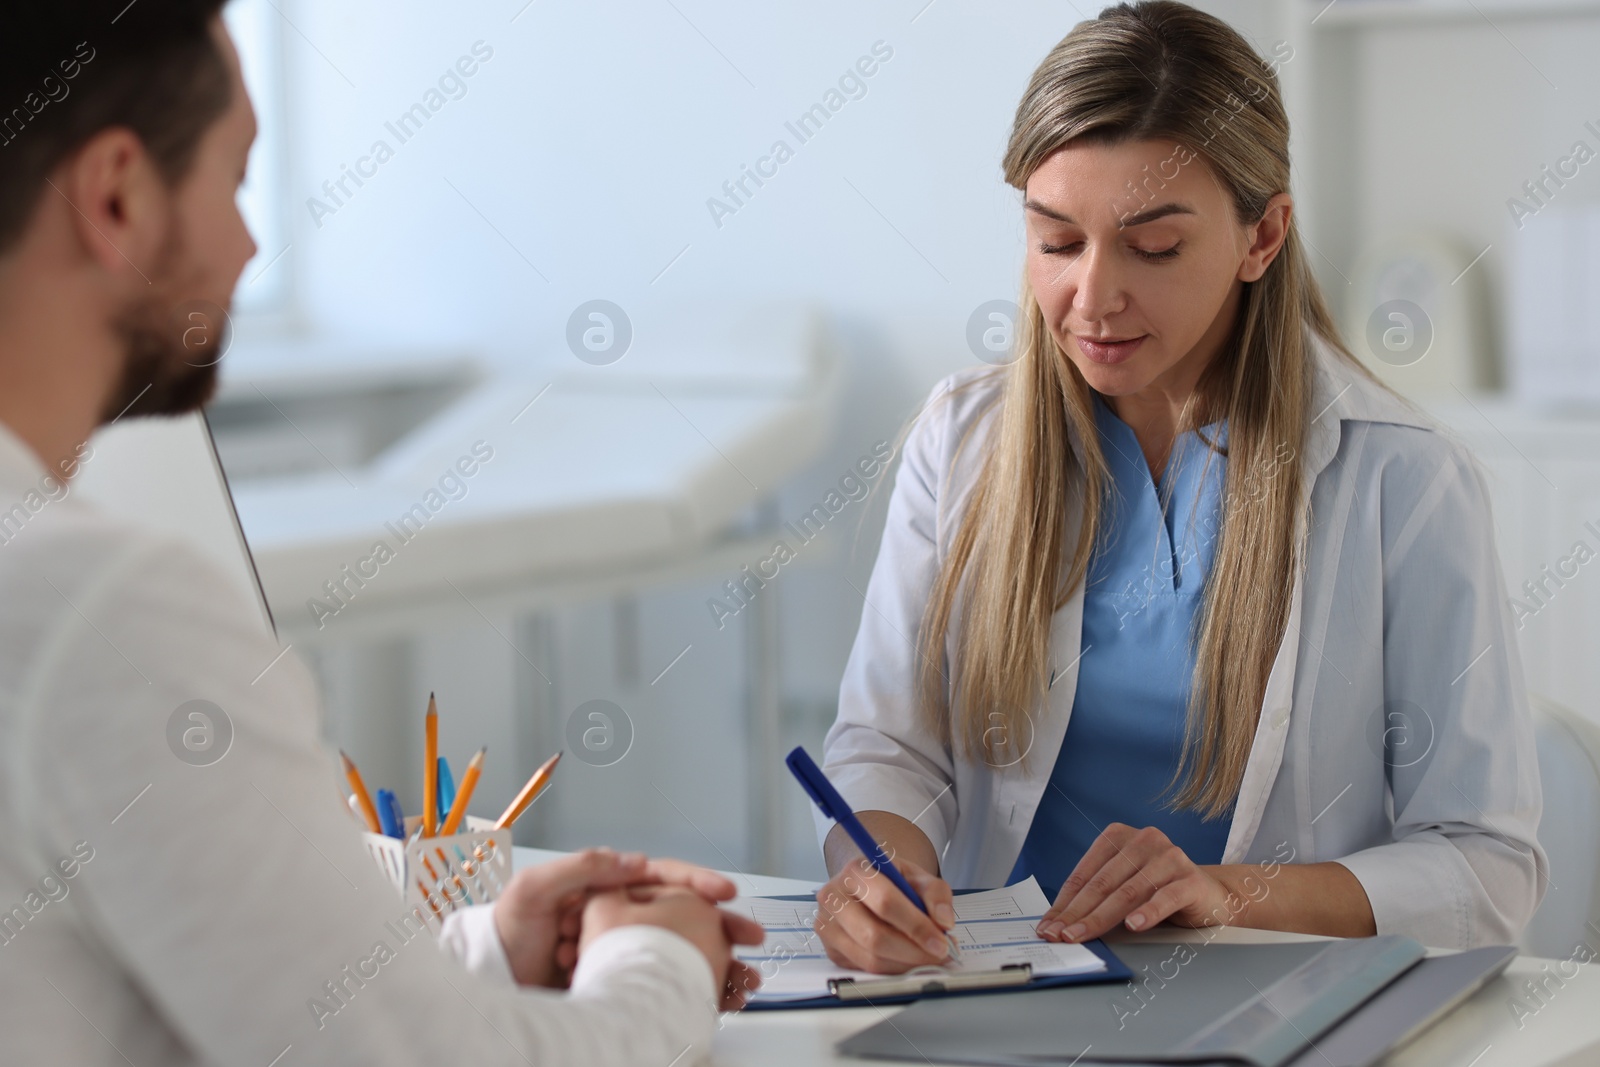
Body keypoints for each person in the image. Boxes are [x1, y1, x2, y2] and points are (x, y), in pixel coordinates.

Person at [0, 3, 761, 1063]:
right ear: (118, 194)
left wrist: (482, 951)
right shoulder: (99, 606)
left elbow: (161, 978)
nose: (250, 240)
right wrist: (659, 958)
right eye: (236, 179)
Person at [812, 0, 1546, 975]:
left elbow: (1486, 868)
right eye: (1056, 241)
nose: (1093, 296)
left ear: (1262, 235)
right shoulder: (961, 439)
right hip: (999, 987)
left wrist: (1222, 890)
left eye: (1152, 247)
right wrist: (878, 870)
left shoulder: (1399, 476)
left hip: (1271, 1000)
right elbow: (890, 746)